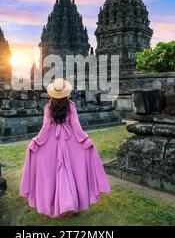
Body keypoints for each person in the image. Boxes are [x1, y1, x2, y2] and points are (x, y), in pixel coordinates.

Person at [19, 78, 111, 218]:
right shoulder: (71, 105)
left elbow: (45, 126)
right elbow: (75, 125)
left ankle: (61, 203)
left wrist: (38, 141)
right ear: (66, 93)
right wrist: (84, 139)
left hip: (52, 140)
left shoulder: (48, 107)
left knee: (53, 173)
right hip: (69, 140)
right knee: (72, 171)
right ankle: (71, 202)